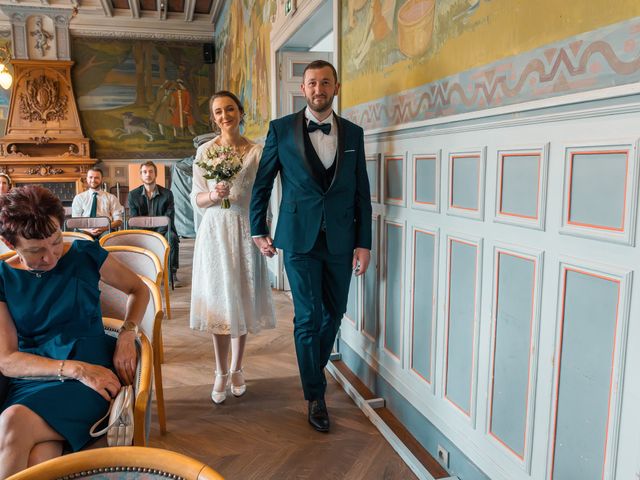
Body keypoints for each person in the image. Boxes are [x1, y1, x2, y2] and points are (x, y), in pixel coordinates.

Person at [250, 60, 372, 433]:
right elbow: (263, 181)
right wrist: (258, 228)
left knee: (334, 314)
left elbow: (362, 192)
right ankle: (314, 395)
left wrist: (364, 242)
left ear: (336, 87)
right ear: (302, 89)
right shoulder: (280, 130)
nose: (319, 89)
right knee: (307, 317)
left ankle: (311, 369)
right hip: (299, 238)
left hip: (341, 238)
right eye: (312, 83)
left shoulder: (354, 133)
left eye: (325, 82)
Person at [0, 185, 149, 478]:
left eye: (55, 242)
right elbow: (6, 359)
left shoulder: (84, 253)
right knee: (40, 456)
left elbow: (138, 289)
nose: (51, 256)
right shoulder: (3, 278)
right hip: (37, 376)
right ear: (8, 243)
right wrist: (75, 369)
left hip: (95, 377)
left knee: (12, 422)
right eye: (36, 251)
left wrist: (127, 333)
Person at [190, 91, 275, 405]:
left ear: (240, 111)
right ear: (213, 118)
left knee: (240, 297)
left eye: (229, 109)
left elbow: (262, 197)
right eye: (217, 111)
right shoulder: (205, 152)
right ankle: (220, 371)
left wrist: (263, 232)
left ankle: (238, 368)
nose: (224, 115)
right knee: (218, 301)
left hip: (244, 229)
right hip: (214, 230)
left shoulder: (257, 152)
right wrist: (213, 195)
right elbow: (197, 198)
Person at [128, 161, 181, 287]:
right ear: (141, 175)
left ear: (155, 174)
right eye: (144, 172)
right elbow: (134, 220)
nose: (148, 174)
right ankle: (140, 273)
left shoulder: (167, 194)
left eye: (151, 171)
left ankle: (172, 273)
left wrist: (157, 235)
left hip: (162, 230)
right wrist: (148, 234)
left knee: (172, 238)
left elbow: (168, 218)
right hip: (142, 231)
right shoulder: (133, 195)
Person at [71, 168, 124, 239]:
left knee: (108, 238)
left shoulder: (111, 197)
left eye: (96, 178)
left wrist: (104, 228)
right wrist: (88, 230)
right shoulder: (79, 198)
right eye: (90, 177)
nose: (93, 180)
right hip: (85, 230)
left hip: (105, 230)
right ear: (86, 178)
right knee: (80, 239)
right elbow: (75, 221)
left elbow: (118, 221)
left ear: (102, 179)